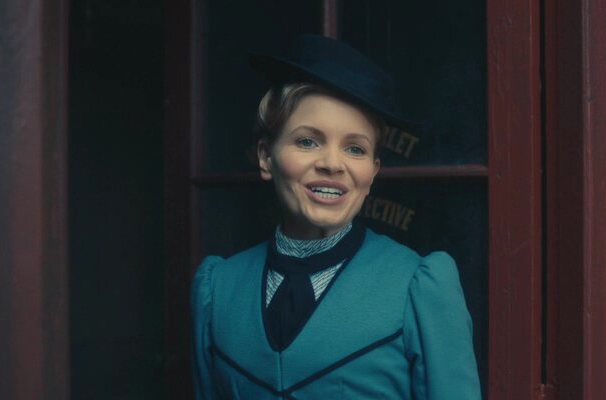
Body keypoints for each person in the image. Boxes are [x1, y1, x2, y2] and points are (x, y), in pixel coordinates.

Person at [191, 34, 480, 400]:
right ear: (266, 157)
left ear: (372, 171)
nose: (332, 163)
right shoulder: (218, 289)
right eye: (307, 141)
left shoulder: (418, 288)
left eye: (355, 148)